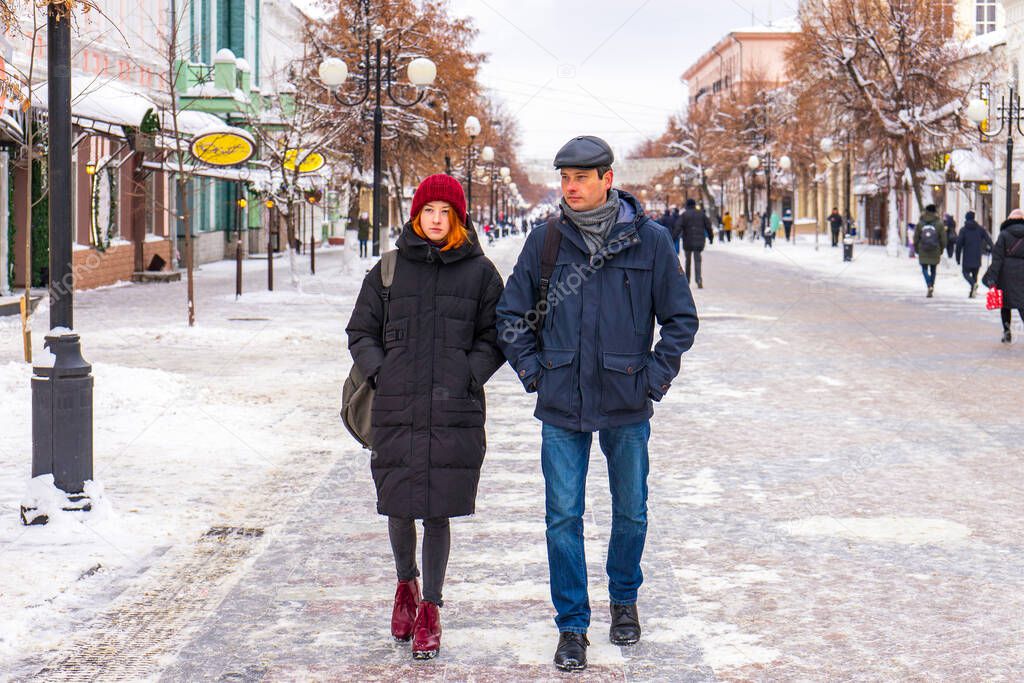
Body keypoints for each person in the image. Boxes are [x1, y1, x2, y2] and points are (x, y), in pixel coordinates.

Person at [496, 135, 699, 672]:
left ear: (608, 179)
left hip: (627, 399)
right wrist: (535, 373)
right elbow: (510, 316)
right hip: (562, 402)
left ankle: (624, 599)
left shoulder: (651, 242)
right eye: (565, 178)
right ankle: (572, 626)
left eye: (581, 178)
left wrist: (654, 378)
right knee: (563, 516)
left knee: (631, 512)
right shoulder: (545, 241)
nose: (571, 187)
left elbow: (681, 319)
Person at [346, 173, 506, 661]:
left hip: (452, 408)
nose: (436, 220)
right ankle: (405, 588)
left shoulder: (480, 273)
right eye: (428, 211)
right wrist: (382, 373)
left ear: (458, 218)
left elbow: (497, 336)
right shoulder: (389, 268)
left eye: (446, 212)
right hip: (398, 404)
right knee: (398, 505)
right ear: (417, 214)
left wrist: (468, 374)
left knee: (438, 510)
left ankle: (432, 608)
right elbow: (360, 330)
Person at [983, 209, 1024, 343]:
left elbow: (997, 259)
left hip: (1005, 275)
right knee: (1022, 304)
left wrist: (992, 278)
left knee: (1005, 305)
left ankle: (1007, 332)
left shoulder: (1004, 235)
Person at [954, 211, 993, 298]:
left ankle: (973, 284)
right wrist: (992, 249)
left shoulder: (963, 230)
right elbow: (988, 239)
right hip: (977, 256)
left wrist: (957, 258)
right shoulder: (980, 229)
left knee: (965, 273)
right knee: (975, 274)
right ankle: (973, 291)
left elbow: (959, 245)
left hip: (967, 257)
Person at [676, 198, 714, 288]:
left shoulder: (684, 215)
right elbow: (708, 226)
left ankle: (687, 281)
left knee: (687, 261)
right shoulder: (701, 214)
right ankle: (699, 279)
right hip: (699, 242)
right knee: (697, 260)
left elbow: (678, 227)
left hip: (687, 241)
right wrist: (711, 237)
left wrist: (672, 238)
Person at [914, 204, 948, 298]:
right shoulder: (939, 223)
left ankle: (928, 285)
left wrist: (917, 249)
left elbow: (916, 238)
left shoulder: (920, 223)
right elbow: (943, 239)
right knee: (933, 270)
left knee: (924, 269)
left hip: (923, 249)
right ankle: (932, 285)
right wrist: (941, 249)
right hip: (935, 249)